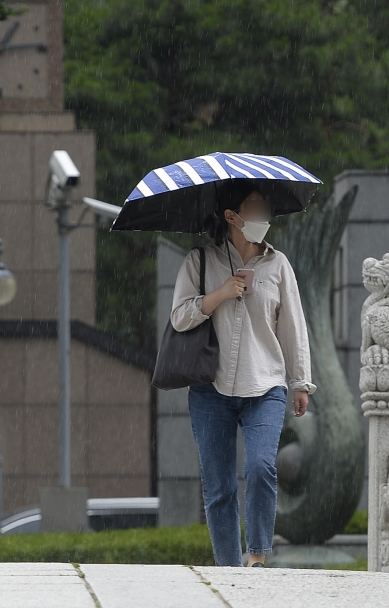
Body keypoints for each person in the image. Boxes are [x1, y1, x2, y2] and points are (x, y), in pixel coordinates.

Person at [170, 179, 314, 567]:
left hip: (265, 385)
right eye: (254, 207)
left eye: (265, 208)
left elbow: (293, 326)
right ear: (232, 215)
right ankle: (228, 570)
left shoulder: (278, 264)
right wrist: (221, 293)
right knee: (218, 488)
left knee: (261, 467)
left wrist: (300, 381)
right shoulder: (199, 261)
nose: (263, 215)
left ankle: (257, 556)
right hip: (209, 390)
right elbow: (180, 317)